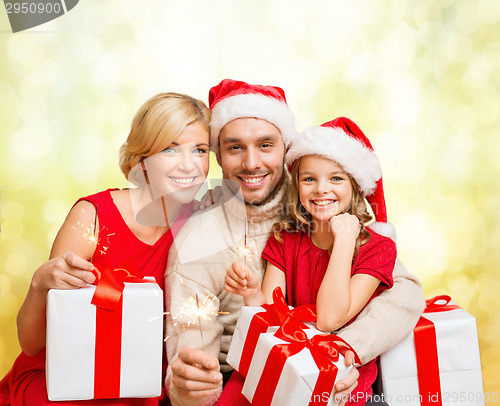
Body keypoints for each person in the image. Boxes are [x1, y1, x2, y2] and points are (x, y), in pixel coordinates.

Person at [165, 79, 425, 406]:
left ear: (287, 149)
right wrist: (190, 386)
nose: (251, 163)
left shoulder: (317, 204)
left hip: (341, 372)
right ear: (218, 154)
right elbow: (195, 358)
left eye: (265, 145)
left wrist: (341, 352)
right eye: (235, 147)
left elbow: (405, 291)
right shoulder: (202, 241)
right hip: (251, 378)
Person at [0, 92, 211, 406]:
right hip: (65, 383)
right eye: (170, 148)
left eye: (200, 150)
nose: (189, 164)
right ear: (142, 159)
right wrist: (39, 283)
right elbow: (32, 345)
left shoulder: (201, 223)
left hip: (139, 386)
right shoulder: (92, 217)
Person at [225, 117, 397, 406]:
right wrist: (251, 292)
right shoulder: (284, 239)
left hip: (341, 379)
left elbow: (329, 319)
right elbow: (269, 320)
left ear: (355, 186)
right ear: (297, 184)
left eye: (336, 178)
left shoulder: (378, 249)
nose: (320, 189)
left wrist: (343, 241)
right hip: (287, 366)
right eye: (309, 179)